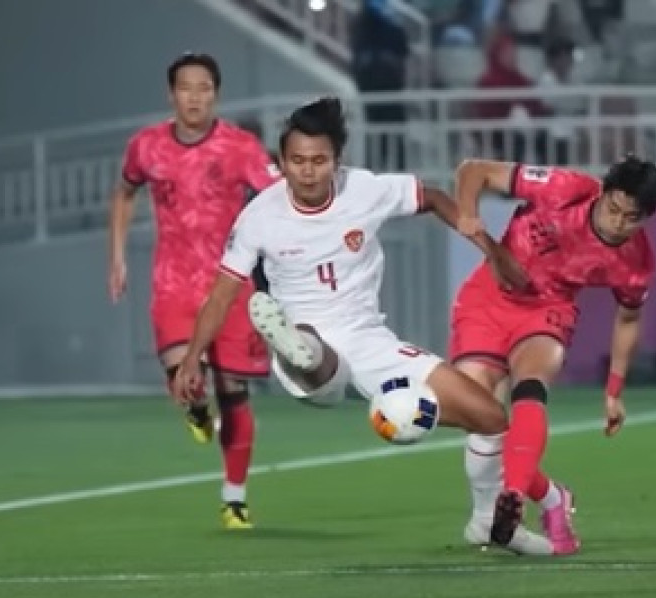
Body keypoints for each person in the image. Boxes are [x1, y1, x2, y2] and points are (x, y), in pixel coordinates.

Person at [172, 97, 553, 556]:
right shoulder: (259, 217)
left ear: (337, 161)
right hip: (310, 341)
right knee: (313, 355)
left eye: (318, 161)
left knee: (491, 417)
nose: (307, 171)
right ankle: (294, 346)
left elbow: (432, 197)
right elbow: (220, 295)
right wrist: (192, 358)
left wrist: (490, 250)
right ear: (281, 161)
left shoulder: (364, 189)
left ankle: (485, 520)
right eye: (296, 161)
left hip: (371, 342)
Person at [450, 156, 656, 554]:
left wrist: (614, 389)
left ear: (647, 218)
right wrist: (468, 217)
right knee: (482, 419)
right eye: (612, 209)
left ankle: (510, 499)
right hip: (487, 299)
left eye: (630, 218)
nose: (616, 223)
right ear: (601, 194)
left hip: (548, 311)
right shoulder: (563, 189)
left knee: (531, 385)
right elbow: (473, 170)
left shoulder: (637, 263)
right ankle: (551, 498)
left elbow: (629, 318)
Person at [108, 52, 280, 530]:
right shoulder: (146, 147)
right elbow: (124, 192)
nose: (195, 97)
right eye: (186, 88)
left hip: (231, 285)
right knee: (184, 377)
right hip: (174, 284)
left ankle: (235, 498)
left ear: (215, 95)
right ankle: (195, 408)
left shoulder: (240, 148)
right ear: (172, 94)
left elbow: (276, 198)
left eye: (205, 88)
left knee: (235, 391)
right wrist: (118, 257)